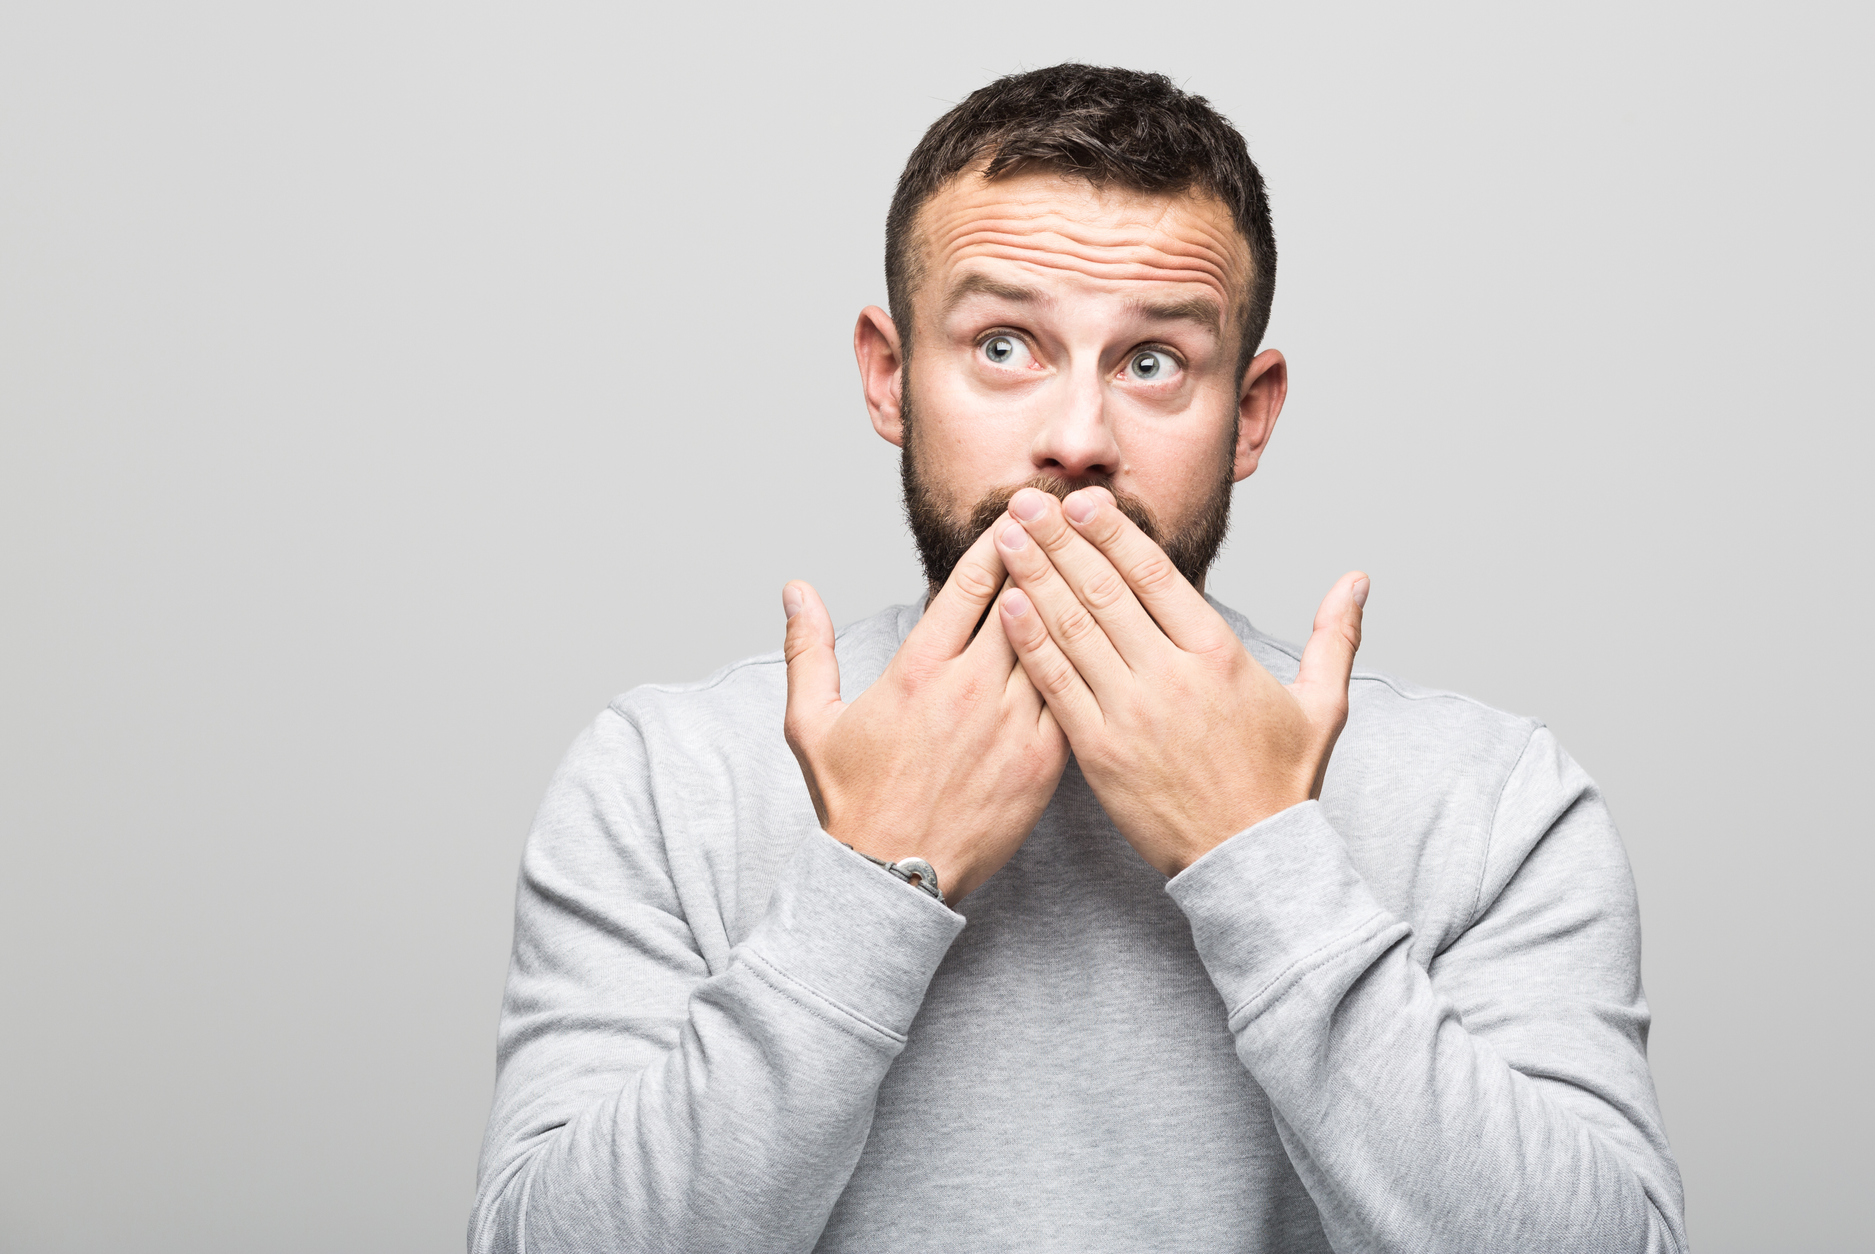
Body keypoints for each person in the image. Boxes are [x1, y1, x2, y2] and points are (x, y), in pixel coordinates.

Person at [469, 64, 1688, 1253]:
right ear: (890, 376)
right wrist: (861, 891)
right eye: (1005, 345)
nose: (1077, 439)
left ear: (1248, 415)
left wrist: (1260, 861)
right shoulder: (663, 779)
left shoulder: (1490, 801)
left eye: (1154, 361)